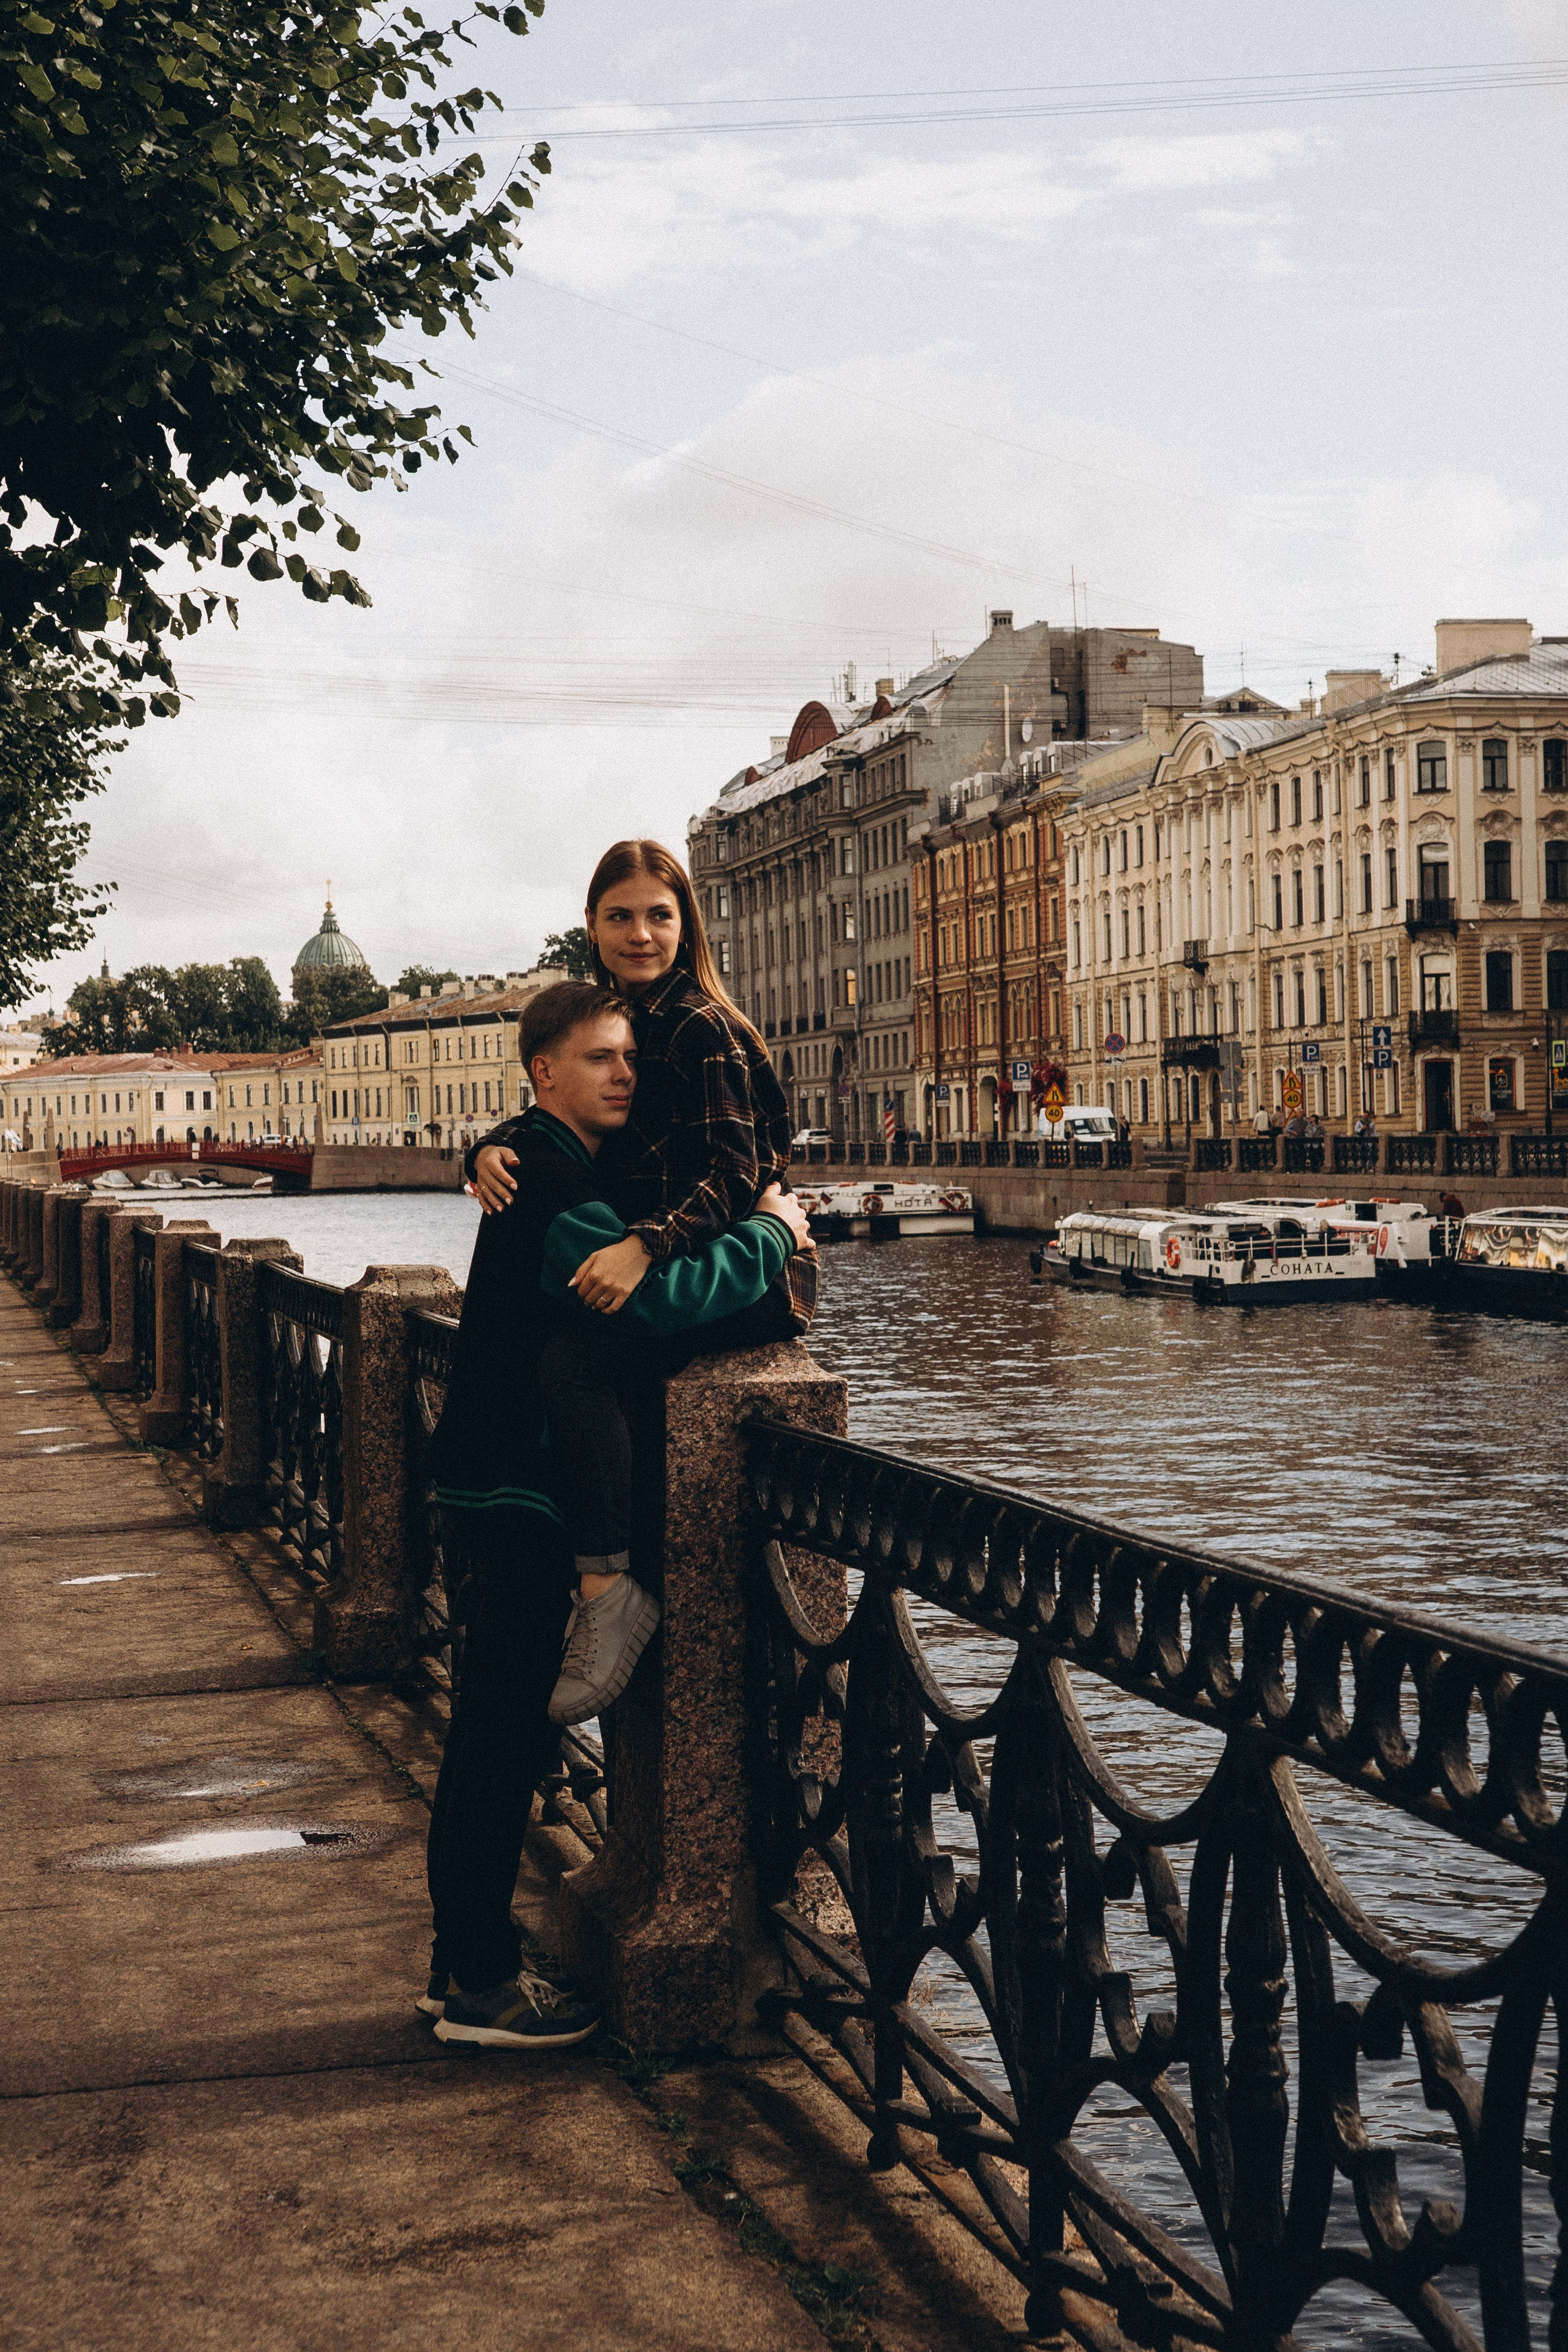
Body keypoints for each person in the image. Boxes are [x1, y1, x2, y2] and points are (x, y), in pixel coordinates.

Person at [424, 982, 812, 2049]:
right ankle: (480, 1988)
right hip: (516, 1488)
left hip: (491, 1476)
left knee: (486, 1732)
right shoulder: (550, 1181)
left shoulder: (541, 1157)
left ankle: (459, 1961)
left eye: (630, 1055)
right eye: (601, 1058)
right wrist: (775, 1235)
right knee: (500, 1737)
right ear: (547, 1073)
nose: (626, 1072)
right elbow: (651, 1297)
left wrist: (482, 1144)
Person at [468, 841, 811, 1727]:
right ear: (591, 924)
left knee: (577, 1360)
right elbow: (570, 1082)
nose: (641, 932)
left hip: (745, 1271)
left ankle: (609, 1588)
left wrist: (647, 1246)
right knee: (583, 1358)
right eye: (620, 915)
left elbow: (739, 1172)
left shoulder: (699, 1025)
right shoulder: (628, 1018)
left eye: (660, 914)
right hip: (679, 1259)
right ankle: (608, 1578)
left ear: (687, 923)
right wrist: (487, 1145)